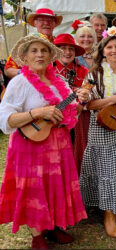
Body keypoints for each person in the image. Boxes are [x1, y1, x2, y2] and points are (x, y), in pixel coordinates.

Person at [0, 34, 89, 249]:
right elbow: (5, 120)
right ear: (25, 56)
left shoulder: (60, 83)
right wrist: (38, 112)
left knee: (55, 187)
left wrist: (80, 102)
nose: (39, 54)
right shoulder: (19, 83)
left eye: (44, 51)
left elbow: (70, 113)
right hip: (30, 146)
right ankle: (37, 235)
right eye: (34, 50)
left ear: (50, 56)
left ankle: (53, 225)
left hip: (59, 145)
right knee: (34, 191)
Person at [79, 27, 116, 238]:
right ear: (102, 51)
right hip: (102, 126)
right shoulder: (94, 73)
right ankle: (108, 214)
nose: (114, 50)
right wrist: (114, 99)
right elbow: (88, 104)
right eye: (109, 47)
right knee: (107, 171)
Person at [53, 33, 90, 175]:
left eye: (71, 49)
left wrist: (81, 102)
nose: (67, 52)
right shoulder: (46, 69)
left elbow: (85, 97)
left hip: (75, 120)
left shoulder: (83, 70)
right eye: (63, 48)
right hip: (50, 120)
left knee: (73, 154)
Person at [4, 8, 62, 79]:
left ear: (54, 24)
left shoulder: (61, 44)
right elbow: (8, 69)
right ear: (35, 23)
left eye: (50, 20)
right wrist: (28, 73)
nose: (46, 23)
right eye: (41, 20)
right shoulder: (25, 44)